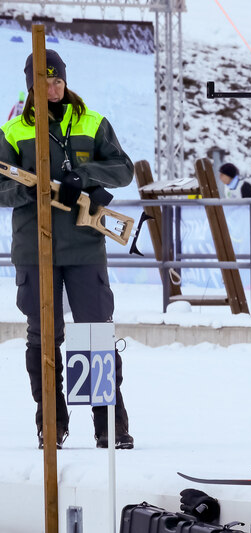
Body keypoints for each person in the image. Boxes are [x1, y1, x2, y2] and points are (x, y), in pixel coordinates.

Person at [0, 49, 135, 449]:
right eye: (44, 82)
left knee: (95, 332)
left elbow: (123, 169)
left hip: (85, 246)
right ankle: (51, 423)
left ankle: (108, 423)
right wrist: (28, 190)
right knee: (44, 337)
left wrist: (84, 175)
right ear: (31, 87)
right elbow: (2, 188)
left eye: (58, 80)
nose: (53, 89)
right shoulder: (12, 132)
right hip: (34, 247)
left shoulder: (92, 122)